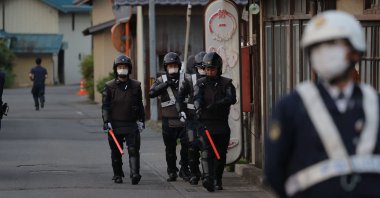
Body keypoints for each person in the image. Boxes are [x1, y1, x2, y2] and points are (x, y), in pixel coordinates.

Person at [265, 10, 380, 197]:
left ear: (355, 51)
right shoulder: (291, 106)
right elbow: (274, 170)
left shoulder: (376, 103)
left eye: (332, 44)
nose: (323, 53)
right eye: (316, 47)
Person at [193, 52, 236, 191]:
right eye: (207, 69)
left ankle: (218, 179)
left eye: (212, 69)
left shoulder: (227, 83)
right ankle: (207, 178)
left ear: (218, 69)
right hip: (206, 124)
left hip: (221, 123)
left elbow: (231, 98)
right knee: (206, 151)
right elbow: (197, 97)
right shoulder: (200, 83)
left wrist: (217, 104)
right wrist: (198, 108)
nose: (209, 72)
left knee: (220, 154)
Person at [102, 54, 145, 185]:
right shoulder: (109, 86)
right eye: (120, 67)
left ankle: (135, 173)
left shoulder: (136, 86)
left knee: (133, 149)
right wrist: (106, 121)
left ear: (129, 69)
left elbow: (140, 104)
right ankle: (117, 174)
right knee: (116, 151)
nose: (122, 69)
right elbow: (105, 106)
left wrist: (141, 120)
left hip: (131, 123)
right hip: (115, 124)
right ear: (115, 69)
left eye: (124, 67)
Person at [149, 52, 191, 182]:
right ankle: (172, 171)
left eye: (174, 65)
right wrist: (165, 85)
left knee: (187, 146)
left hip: (185, 118)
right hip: (168, 120)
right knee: (170, 148)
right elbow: (151, 93)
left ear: (179, 66)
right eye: (169, 66)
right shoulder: (161, 80)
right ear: (165, 67)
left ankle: (184, 169)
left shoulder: (187, 78)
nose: (172, 68)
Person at [176, 51, 207, 185]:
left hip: (208, 118)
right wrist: (181, 111)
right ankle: (194, 173)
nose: (204, 70)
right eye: (201, 67)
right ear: (195, 67)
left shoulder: (214, 79)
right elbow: (179, 98)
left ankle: (209, 175)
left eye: (206, 67)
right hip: (191, 119)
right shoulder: (189, 80)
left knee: (207, 147)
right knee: (191, 146)